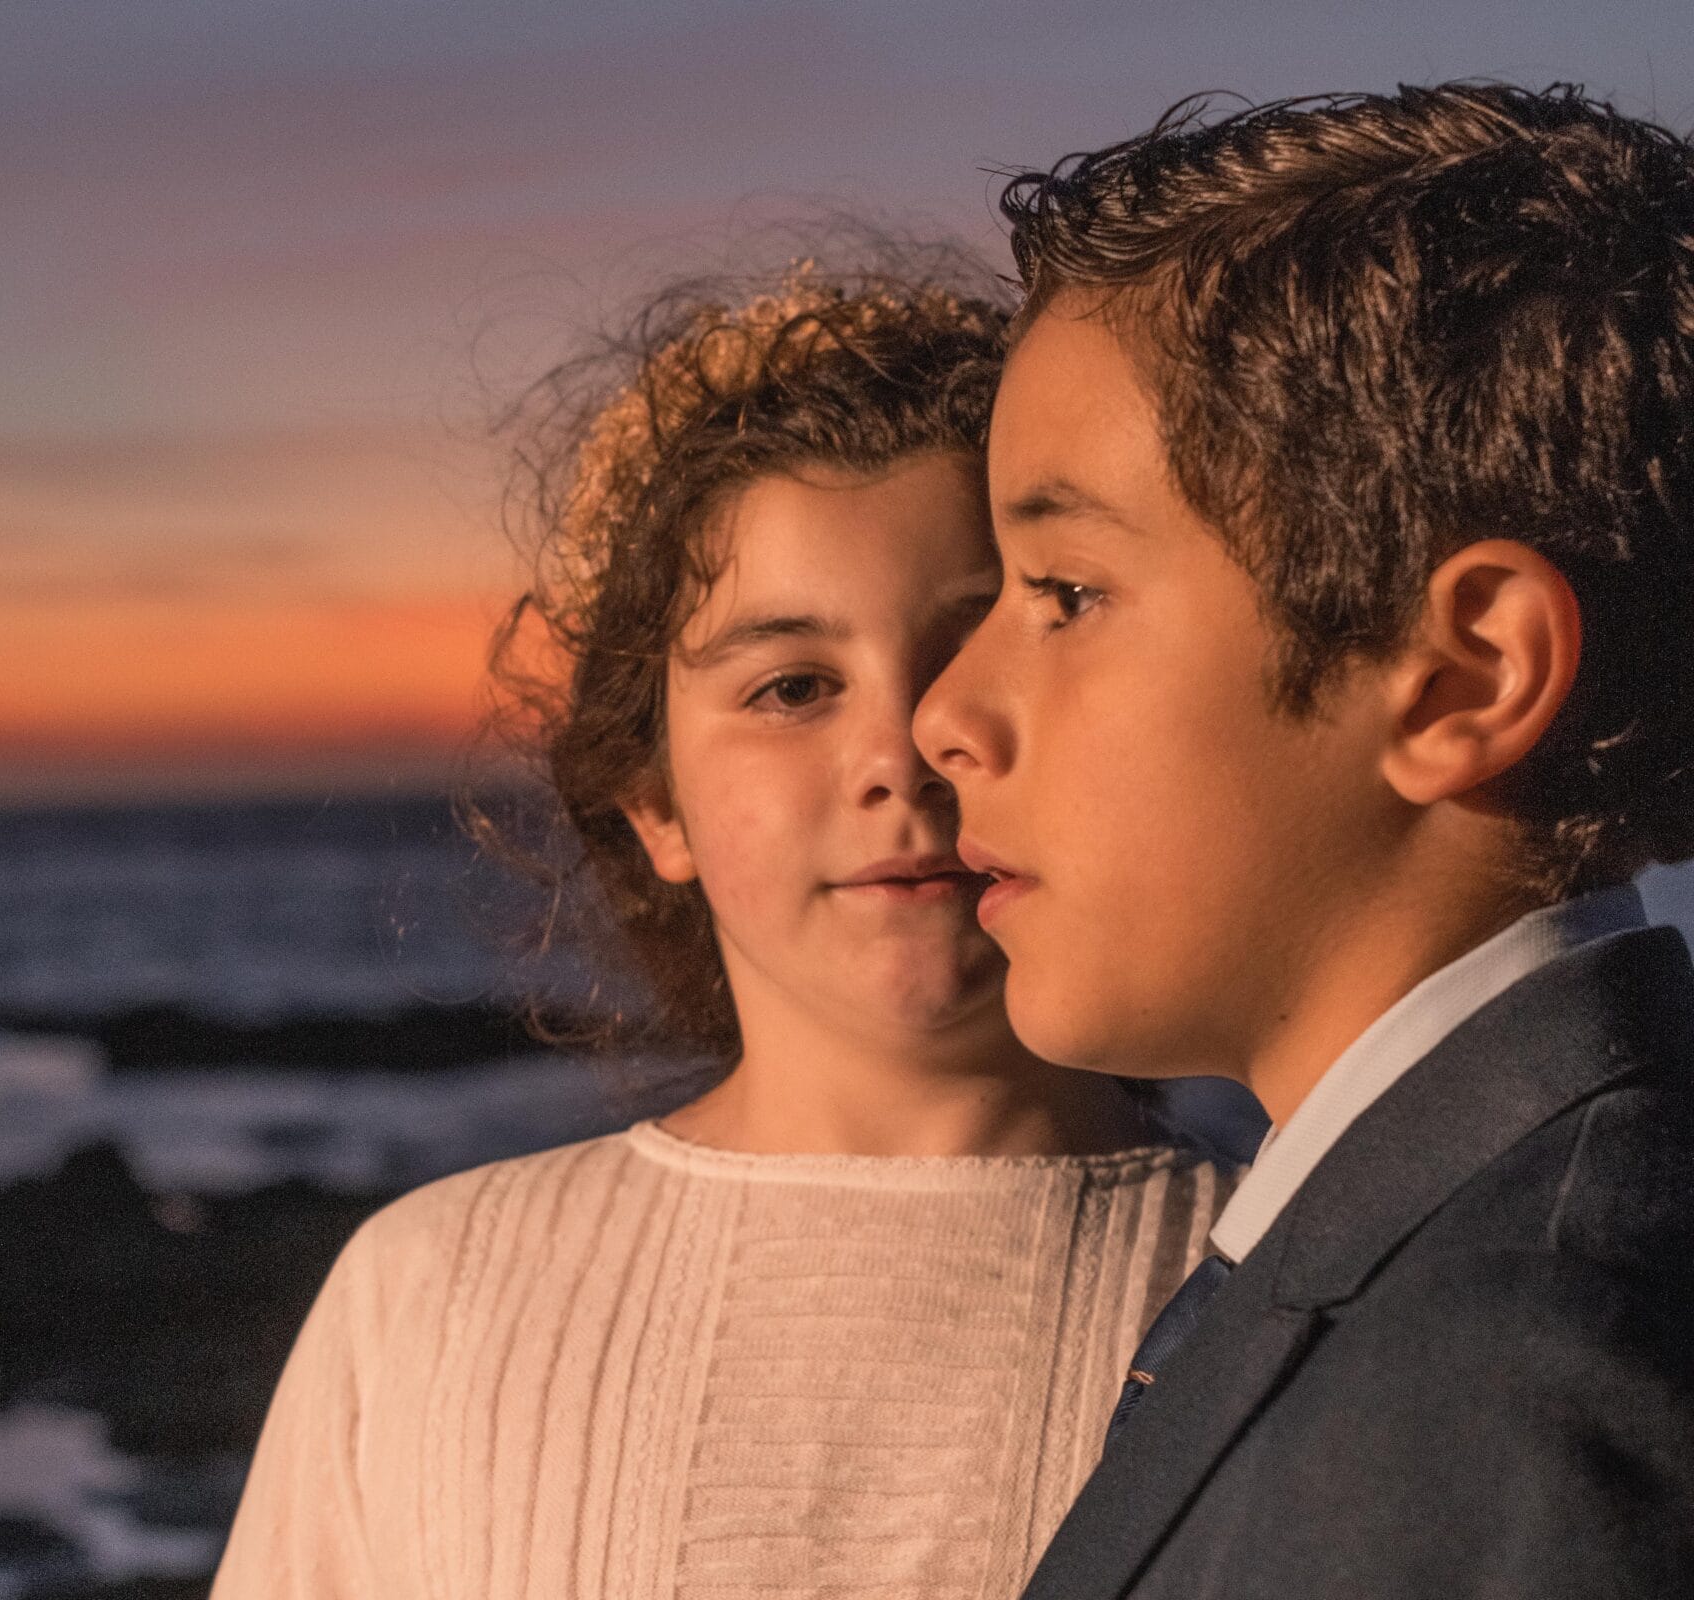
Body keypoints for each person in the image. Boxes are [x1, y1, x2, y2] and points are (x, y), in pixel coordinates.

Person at [211, 252, 1234, 1599]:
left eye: (983, 642)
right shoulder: (428, 1301)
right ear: (655, 805)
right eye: (794, 686)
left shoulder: (1291, 1290)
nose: (907, 748)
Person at [914, 83, 1694, 1598]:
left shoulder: (1526, 1389)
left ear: (1465, 674)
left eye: (1065, 592)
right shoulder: (1432, 1245)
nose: (947, 712)